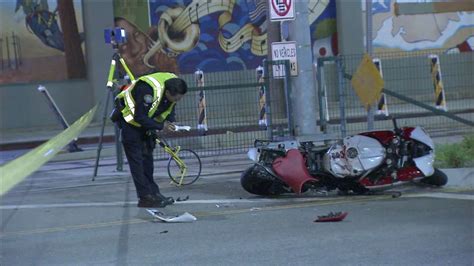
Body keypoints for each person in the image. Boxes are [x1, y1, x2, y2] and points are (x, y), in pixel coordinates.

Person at [113, 72, 187, 208]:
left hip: (145, 125)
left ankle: (154, 193)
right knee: (137, 164)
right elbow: (139, 116)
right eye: (175, 98)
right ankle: (145, 197)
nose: (176, 101)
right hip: (130, 124)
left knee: (148, 162)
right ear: (168, 92)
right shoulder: (147, 90)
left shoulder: (171, 85)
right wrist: (160, 126)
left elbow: (170, 107)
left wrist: (170, 121)